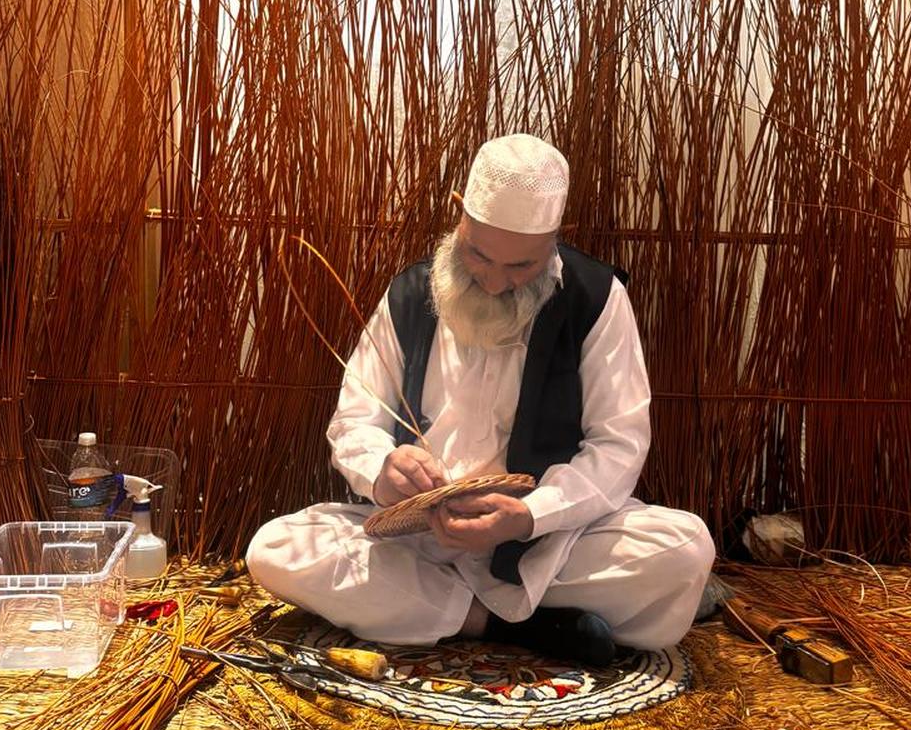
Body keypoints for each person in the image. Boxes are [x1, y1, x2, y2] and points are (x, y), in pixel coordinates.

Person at [246, 135, 714, 665]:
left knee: (685, 549)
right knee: (275, 548)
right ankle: (503, 623)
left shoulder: (597, 298)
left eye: (521, 268)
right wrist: (382, 468)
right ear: (458, 216)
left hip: (545, 542)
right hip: (420, 541)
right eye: (479, 256)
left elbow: (619, 443)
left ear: (554, 241)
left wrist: (530, 515)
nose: (494, 283)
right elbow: (356, 418)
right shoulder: (409, 293)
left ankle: (436, 612)